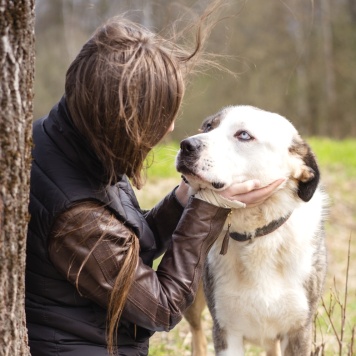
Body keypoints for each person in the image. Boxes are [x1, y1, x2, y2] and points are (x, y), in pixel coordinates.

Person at [25, 13, 283, 356]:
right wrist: (208, 209)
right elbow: (160, 308)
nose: (173, 126)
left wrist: (184, 197)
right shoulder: (77, 217)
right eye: (161, 115)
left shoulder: (68, 139)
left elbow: (120, 249)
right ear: (122, 122)